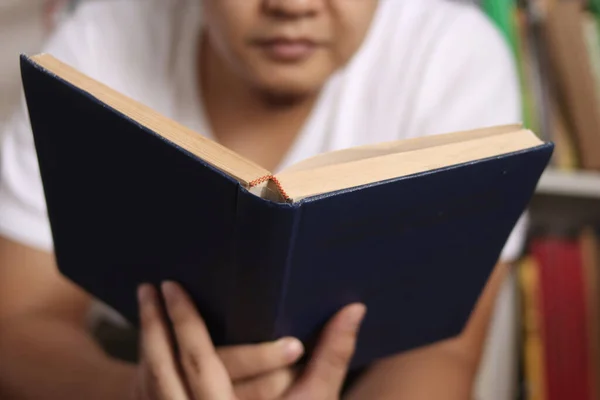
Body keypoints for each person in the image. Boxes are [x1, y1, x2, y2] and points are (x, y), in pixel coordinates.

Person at [0, 0, 527, 398]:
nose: (293, 6)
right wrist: (136, 390)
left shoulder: (454, 58)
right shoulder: (96, 41)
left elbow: (443, 352)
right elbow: (15, 325)